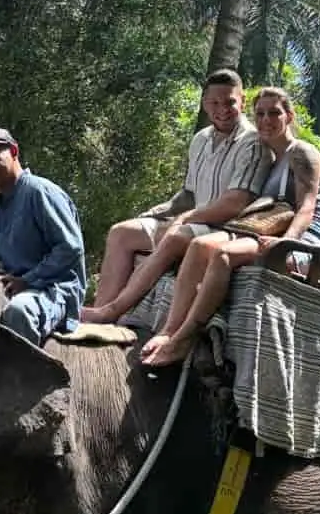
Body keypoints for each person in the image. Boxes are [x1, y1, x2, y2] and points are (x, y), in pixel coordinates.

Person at [140, 87, 320, 367]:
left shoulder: (302, 153)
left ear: (289, 116)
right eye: (260, 114)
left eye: (274, 113)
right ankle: (168, 330)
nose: (266, 120)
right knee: (199, 245)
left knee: (223, 255)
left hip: (301, 241)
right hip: (264, 232)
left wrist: (287, 242)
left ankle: (184, 338)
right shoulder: (269, 157)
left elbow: (307, 208)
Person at [82, 69, 273, 325]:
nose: (222, 110)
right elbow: (189, 194)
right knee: (121, 232)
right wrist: (157, 212)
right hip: (192, 221)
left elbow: (236, 203)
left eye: (230, 102)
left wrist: (185, 218)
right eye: (214, 103)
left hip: (223, 228)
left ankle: (114, 310)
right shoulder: (200, 140)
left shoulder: (253, 143)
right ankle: (98, 315)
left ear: (242, 100)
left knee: (174, 236)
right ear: (204, 103)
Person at [0, 125, 86, 345]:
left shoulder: (39, 192)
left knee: (18, 312)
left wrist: (27, 280)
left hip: (54, 290)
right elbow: (7, 264)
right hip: (18, 288)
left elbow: (70, 248)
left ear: (14, 152)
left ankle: (22, 368)